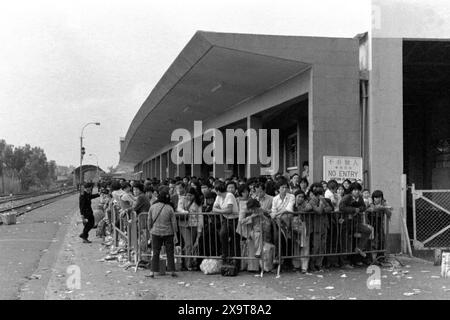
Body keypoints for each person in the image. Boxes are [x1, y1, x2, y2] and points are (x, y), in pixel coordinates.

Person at [146, 191, 178, 278]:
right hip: (168, 232)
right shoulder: (169, 208)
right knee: (170, 252)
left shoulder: (152, 207)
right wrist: (175, 234)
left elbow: (149, 221)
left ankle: (152, 272)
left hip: (155, 232)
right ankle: (172, 271)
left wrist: (150, 230)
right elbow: (174, 223)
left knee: (155, 252)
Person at [339, 182, 372, 265]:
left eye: (358, 190)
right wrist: (353, 209)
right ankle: (344, 262)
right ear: (351, 191)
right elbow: (341, 207)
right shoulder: (347, 197)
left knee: (367, 230)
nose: (356, 192)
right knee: (346, 242)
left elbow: (363, 207)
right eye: (354, 190)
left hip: (356, 222)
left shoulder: (360, 198)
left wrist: (358, 209)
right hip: (346, 222)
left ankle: (359, 248)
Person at [212, 181, 240, 264]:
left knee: (235, 241)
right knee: (223, 234)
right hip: (226, 219)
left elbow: (229, 210)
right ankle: (225, 255)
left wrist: (220, 211)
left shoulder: (229, 195)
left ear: (218, 190)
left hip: (235, 220)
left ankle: (236, 262)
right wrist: (223, 211)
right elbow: (214, 209)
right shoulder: (218, 197)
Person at [271, 177, 295, 269]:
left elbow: (289, 209)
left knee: (289, 241)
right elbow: (273, 211)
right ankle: (279, 260)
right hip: (278, 222)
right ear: (278, 189)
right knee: (277, 238)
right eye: (282, 187)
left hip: (289, 222)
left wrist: (277, 213)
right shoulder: (275, 199)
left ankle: (288, 262)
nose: (284, 189)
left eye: (286, 187)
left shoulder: (291, 196)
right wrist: (276, 214)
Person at [177, 187, 204, 270]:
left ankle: (188, 261)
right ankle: (187, 264)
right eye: (187, 195)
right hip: (183, 224)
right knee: (188, 244)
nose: (189, 197)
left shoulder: (198, 203)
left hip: (194, 225)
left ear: (194, 195)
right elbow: (179, 209)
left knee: (192, 245)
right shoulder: (182, 200)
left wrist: (199, 229)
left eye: (191, 195)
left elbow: (200, 216)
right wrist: (185, 212)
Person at [307, 186, 333, 271]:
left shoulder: (324, 200)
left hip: (324, 225)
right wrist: (322, 205)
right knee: (316, 247)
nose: (321, 196)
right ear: (316, 195)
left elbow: (330, 208)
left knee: (323, 246)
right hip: (316, 227)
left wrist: (323, 208)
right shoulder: (312, 201)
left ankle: (319, 264)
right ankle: (312, 264)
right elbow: (318, 211)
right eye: (319, 195)